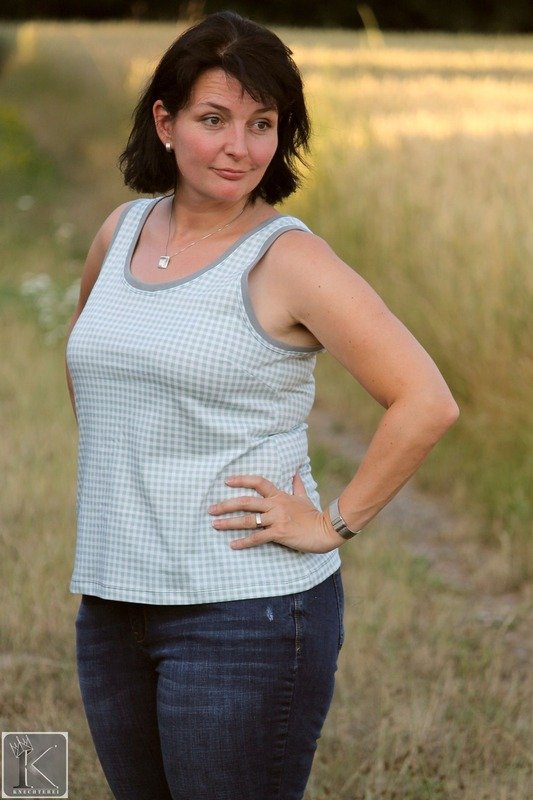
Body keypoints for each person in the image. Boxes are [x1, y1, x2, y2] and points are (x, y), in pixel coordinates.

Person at [65, 10, 459, 800]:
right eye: (213, 119)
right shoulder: (120, 231)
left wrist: (331, 523)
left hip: (244, 615)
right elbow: (94, 368)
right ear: (165, 123)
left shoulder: (289, 259)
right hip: (111, 604)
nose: (239, 147)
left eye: (262, 124)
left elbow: (424, 400)